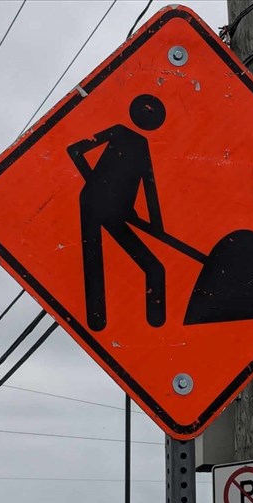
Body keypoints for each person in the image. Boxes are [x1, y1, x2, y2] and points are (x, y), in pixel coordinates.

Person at [66, 94, 167, 331]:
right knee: (92, 259)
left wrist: (156, 227)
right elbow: (75, 150)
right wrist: (95, 184)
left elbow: (149, 186)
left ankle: (157, 327)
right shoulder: (119, 132)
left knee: (154, 268)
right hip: (92, 203)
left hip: (116, 210)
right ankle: (97, 323)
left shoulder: (143, 146)